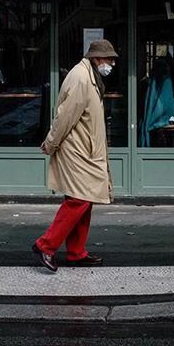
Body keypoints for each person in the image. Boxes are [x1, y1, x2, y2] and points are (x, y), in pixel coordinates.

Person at [33, 39, 117, 272]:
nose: (111, 64)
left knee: (85, 200)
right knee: (78, 200)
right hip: (77, 151)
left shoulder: (90, 76)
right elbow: (65, 116)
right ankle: (45, 245)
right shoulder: (81, 77)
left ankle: (76, 252)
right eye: (109, 59)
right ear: (97, 58)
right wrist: (51, 143)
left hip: (85, 149)